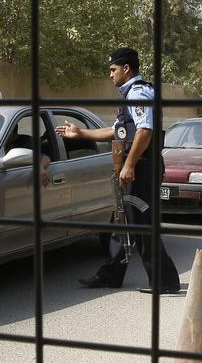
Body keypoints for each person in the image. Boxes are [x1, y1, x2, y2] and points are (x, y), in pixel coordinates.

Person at [57, 47, 180, 294]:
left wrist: (129, 163)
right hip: (135, 168)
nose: (110, 74)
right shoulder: (129, 95)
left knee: (142, 223)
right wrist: (81, 133)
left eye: (113, 70)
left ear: (126, 69)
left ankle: (165, 281)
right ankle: (111, 274)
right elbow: (117, 130)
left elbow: (145, 131)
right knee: (122, 221)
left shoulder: (139, 92)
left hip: (141, 169)